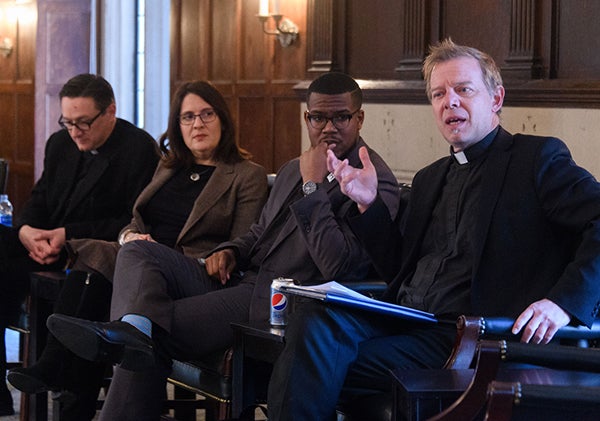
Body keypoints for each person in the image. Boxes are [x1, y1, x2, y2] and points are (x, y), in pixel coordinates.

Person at [265, 39, 600, 420]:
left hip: (473, 336)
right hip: (408, 322)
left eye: (463, 90)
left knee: (305, 363)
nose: (449, 101)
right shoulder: (430, 178)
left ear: (496, 98)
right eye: (438, 93)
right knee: (311, 318)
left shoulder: (536, 159)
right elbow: (399, 268)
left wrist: (563, 304)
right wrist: (368, 204)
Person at [44, 71, 400, 420]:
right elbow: (258, 232)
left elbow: (338, 265)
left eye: (341, 117)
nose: (328, 127)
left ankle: (131, 331)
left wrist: (313, 189)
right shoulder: (295, 167)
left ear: (360, 118)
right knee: (137, 254)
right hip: (241, 277)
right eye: (318, 117)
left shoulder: (373, 178)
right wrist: (230, 250)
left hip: (279, 299)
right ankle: (133, 325)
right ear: (307, 118)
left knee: (147, 338)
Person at [7, 80, 269, 420]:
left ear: (223, 120)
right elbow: (136, 219)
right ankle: (117, 342)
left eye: (207, 114)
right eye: (187, 117)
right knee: (95, 257)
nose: (198, 124)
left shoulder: (246, 175)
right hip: (144, 268)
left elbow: (240, 245)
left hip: (197, 274)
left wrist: (146, 250)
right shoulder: (170, 166)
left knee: (117, 261)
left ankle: (67, 363)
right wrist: (130, 237)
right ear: (177, 125)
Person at [0, 73, 159, 416]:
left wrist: (67, 235)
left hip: (93, 252)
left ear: (111, 111)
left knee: (89, 273)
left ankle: (65, 387)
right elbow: (41, 198)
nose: (74, 132)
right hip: (47, 245)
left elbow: (130, 220)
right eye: (68, 122)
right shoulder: (60, 143)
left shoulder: (138, 149)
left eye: (83, 123)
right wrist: (27, 229)